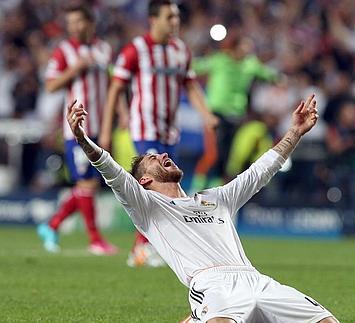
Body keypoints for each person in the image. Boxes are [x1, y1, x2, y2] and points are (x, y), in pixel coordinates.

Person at [67, 94, 339, 323]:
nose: (164, 155)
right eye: (153, 158)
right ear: (144, 180)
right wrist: (82, 139)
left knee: (327, 321)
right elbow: (111, 171)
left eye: (161, 154)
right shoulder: (147, 206)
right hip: (212, 285)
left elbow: (260, 171)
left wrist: (295, 132)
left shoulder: (216, 199)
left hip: (255, 279)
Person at [98, 0, 218, 266]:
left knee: (166, 188)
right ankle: (141, 249)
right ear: (153, 20)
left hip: (169, 130)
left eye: (176, 17)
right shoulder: (136, 50)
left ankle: (146, 247)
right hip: (144, 127)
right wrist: (107, 129)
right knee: (155, 187)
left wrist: (206, 114)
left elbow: (191, 85)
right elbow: (116, 87)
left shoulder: (180, 51)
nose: (175, 22)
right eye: (169, 17)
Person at [37, 4, 117, 255]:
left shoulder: (104, 49)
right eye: (70, 23)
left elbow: (114, 84)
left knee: (87, 184)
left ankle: (52, 225)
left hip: (100, 125)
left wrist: (118, 117)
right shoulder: (64, 51)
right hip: (76, 129)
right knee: (87, 184)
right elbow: (50, 85)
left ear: (90, 23)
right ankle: (95, 239)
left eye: (77, 22)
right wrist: (75, 69)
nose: (73, 27)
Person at [190, 35, 279, 191]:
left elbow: (268, 74)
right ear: (235, 47)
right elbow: (195, 67)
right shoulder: (219, 60)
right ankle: (195, 188)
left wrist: (279, 79)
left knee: (227, 157)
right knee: (212, 154)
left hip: (236, 117)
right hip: (215, 115)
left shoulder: (249, 64)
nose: (248, 51)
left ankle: (216, 190)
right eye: (245, 47)